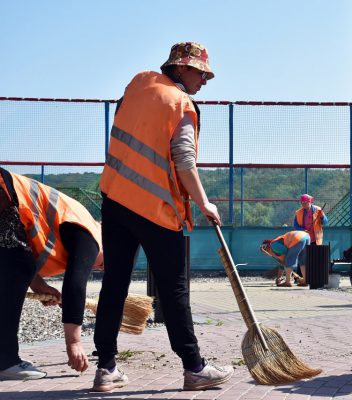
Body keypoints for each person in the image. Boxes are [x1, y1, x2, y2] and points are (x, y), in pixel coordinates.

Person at [93, 42, 233, 392]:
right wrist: (204, 203)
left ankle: (106, 368)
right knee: (174, 290)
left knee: (114, 284)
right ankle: (195, 368)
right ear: (182, 69)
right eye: (201, 73)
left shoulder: (138, 84)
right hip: (155, 210)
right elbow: (184, 161)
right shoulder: (181, 104)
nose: (204, 80)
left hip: (115, 198)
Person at [0, 168, 103, 380]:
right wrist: (74, 343)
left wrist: (38, 286)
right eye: (102, 266)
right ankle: (6, 361)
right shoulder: (92, 237)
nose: (96, 268)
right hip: (6, 192)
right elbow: (75, 285)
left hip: (6, 193)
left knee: (15, 268)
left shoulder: (77, 226)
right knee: (18, 267)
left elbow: (18, 259)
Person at [287, 194, 327, 284]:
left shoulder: (318, 210)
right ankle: (300, 279)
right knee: (302, 259)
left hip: (315, 240)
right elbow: (295, 226)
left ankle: (315, 279)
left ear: (310, 202)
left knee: (315, 260)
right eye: (302, 203)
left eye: (305, 203)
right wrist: (303, 230)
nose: (304, 205)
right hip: (303, 240)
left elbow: (325, 222)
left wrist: (322, 217)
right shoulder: (299, 212)